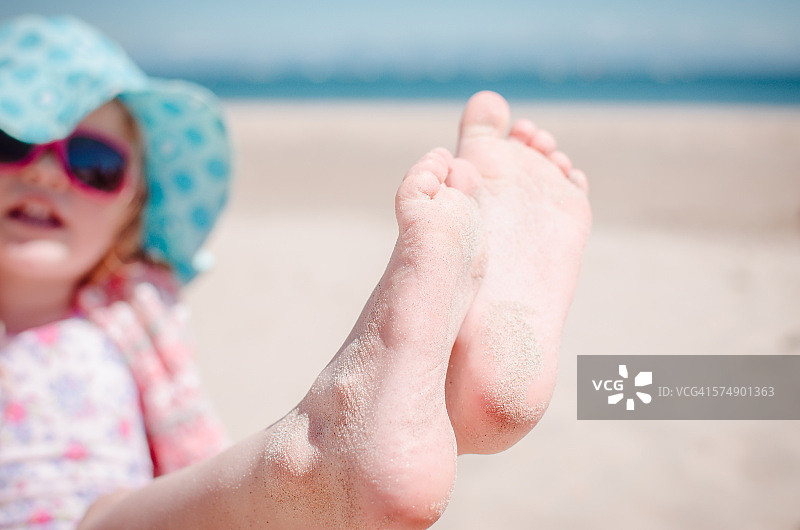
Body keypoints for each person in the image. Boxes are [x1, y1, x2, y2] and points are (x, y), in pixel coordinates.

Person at [0, 14, 591, 529]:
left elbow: (187, 448)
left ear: (131, 210)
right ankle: (309, 459)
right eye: (13, 142)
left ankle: (444, 394)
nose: (47, 174)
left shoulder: (135, 311)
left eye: (92, 162)